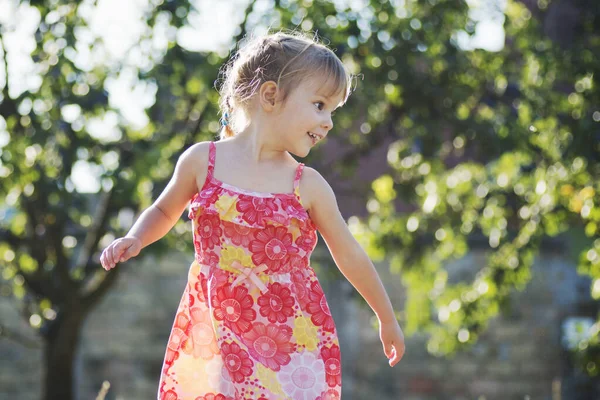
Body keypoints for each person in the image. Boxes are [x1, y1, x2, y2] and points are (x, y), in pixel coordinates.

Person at [100, 30, 405, 400]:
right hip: (215, 328)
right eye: (320, 105)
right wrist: (136, 236)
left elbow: (349, 254)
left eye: (333, 111)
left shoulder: (306, 186)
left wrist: (386, 316)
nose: (328, 123)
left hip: (287, 338)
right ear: (271, 96)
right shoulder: (202, 162)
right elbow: (164, 209)